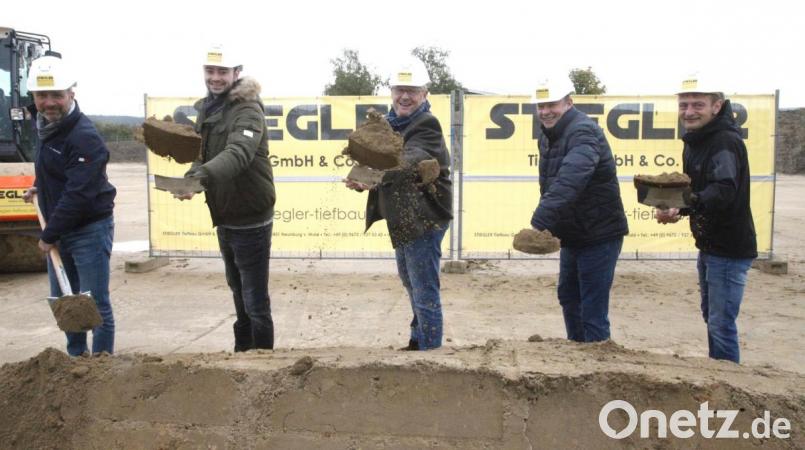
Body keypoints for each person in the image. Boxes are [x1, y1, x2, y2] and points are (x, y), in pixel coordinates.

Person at [345, 59, 452, 351]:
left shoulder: (426, 124)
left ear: (425, 94)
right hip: (404, 216)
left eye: (412, 91)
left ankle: (429, 351)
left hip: (426, 216)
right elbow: (377, 159)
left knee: (423, 287)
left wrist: (374, 176)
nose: (405, 96)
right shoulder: (389, 124)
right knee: (410, 281)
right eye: (400, 89)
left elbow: (409, 159)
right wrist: (363, 178)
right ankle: (418, 341)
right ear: (391, 91)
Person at [175, 44, 276, 351]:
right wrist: (192, 178)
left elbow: (239, 153)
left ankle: (264, 363)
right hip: (226, 213)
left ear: (236, 73)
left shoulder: (248, 109)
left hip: (251, 216)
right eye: (210, 71)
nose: (215, 78)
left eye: (222, 72)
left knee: (255, 300)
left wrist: (201, 177)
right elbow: (202, 153)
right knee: (238, 291)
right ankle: (242, 355)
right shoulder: (208, 109)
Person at [656, 75, 757, 363]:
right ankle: (718, 375)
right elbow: (701, 192)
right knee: (712, 318)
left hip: (729, 248)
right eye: (684, 104)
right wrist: (680, 209)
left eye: (697, 104)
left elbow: (724, 190)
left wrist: (687, 203)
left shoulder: (723, 140)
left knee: (721, 325)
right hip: (711, 246)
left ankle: (729, 389)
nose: (689, 111)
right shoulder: (697, 140)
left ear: (717, 106)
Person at [22, 55, 117, 356]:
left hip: (88, 229)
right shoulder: (47, 126)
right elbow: (56, 168)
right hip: (61, 227)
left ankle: (102, 368)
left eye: (56, 95)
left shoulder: (84, 137)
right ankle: (76, 361)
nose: (49, 102)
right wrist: (42, 186)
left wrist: (49, 235)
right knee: (65, 300)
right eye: (41, 95)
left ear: (71, 94)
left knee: (94, 302)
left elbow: (79, 194)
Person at [530, 79, 629, 343]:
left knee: (592, 308)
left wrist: (540, 222)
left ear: (568, 103)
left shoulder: (583, 131)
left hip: (599, 233)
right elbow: (552, 182)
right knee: (569, 297)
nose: (546, 111)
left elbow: (571, 178)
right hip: (573, 234)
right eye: (541, 106)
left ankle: (598, 369)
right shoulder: (549, 134)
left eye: (552, 104)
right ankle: (576, 358)